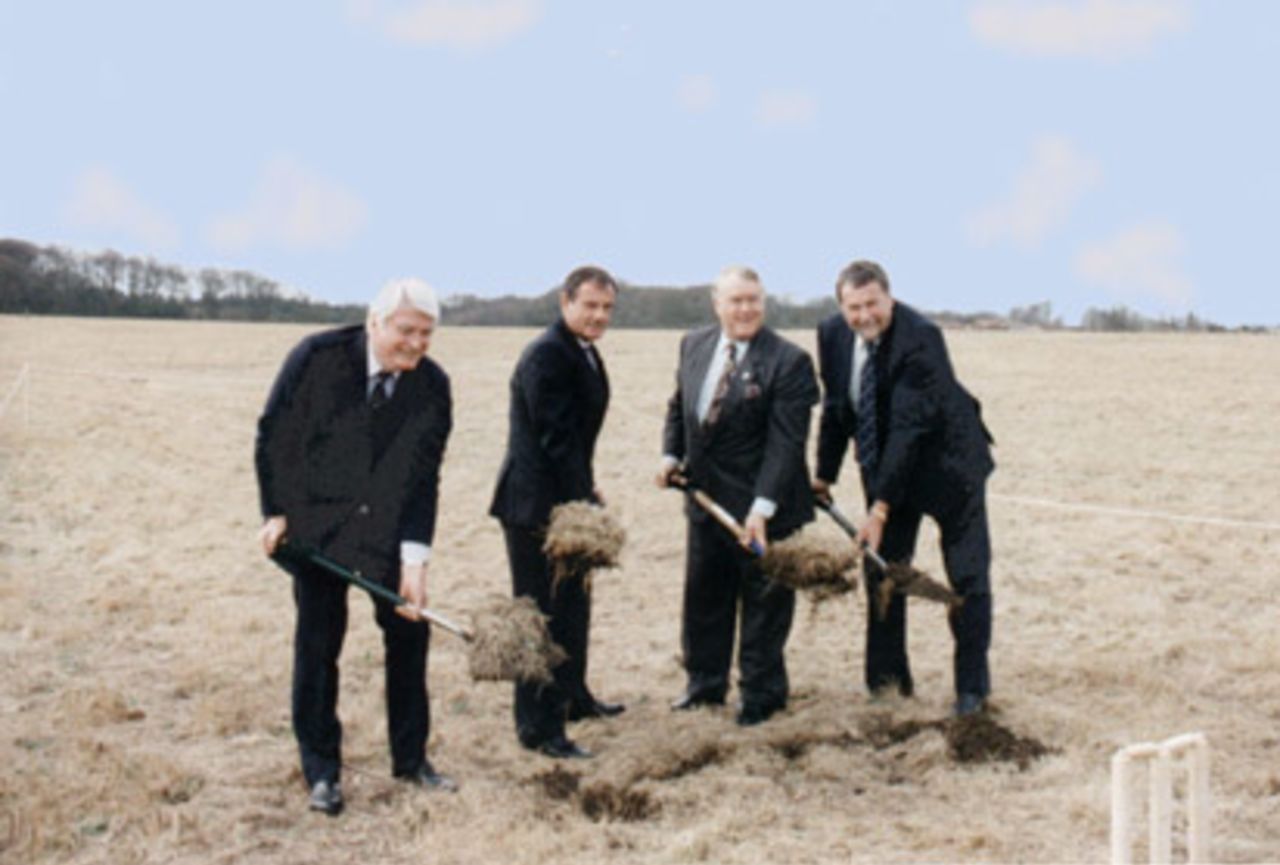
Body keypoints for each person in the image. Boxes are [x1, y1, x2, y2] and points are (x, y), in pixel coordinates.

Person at [255, 277, 456, 816]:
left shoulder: (433, 386)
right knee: (319, 645)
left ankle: (411, 761)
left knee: (410, 638)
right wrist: (277, 513)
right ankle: (322, 772)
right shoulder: (317, 359)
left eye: (426, 334)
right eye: (406, 330)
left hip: (388, 532)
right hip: (319, 527)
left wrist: (415, 561)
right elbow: (276, 437)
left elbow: (423, 479)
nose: (416, 343)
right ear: (375, 321)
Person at [812, 259, 995, 717]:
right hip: (885, 468)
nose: (864, 316)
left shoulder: (921, 338)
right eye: (854, 307)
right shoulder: (832, 335)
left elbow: (909, 429)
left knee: (968, 578)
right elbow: (837, 408)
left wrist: (878, 509)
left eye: (873, 303)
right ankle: (888, 682)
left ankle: (972, 691)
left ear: (889, 297)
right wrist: (824, 475)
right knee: (884, 572)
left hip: (950, 469)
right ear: (841, 306)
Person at [656, 265, 819, 727]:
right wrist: (670, 456)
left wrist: (761, 508)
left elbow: (786, 444)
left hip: (765, 508)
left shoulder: (789, 361)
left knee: (764, 607)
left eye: (754, 300)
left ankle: (761, 694)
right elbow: (679, 406)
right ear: (717, 304)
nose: (746, 309)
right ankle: (704, 685)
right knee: (705, 598)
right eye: (736, 300)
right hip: (707, 503)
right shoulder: (694, 344)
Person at [489, 265, 623, 760]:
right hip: (533, 509)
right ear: (565, 302)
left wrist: (587, 488)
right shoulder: (547, 354)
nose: (598, 316)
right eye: (589, 305)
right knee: (540, 616)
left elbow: (574, 442)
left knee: (573, 605)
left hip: (564, 500)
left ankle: (574, 698)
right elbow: (556, 438)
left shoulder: (582, 352)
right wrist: (581, 502)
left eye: (607, 308)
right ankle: (539, 728)